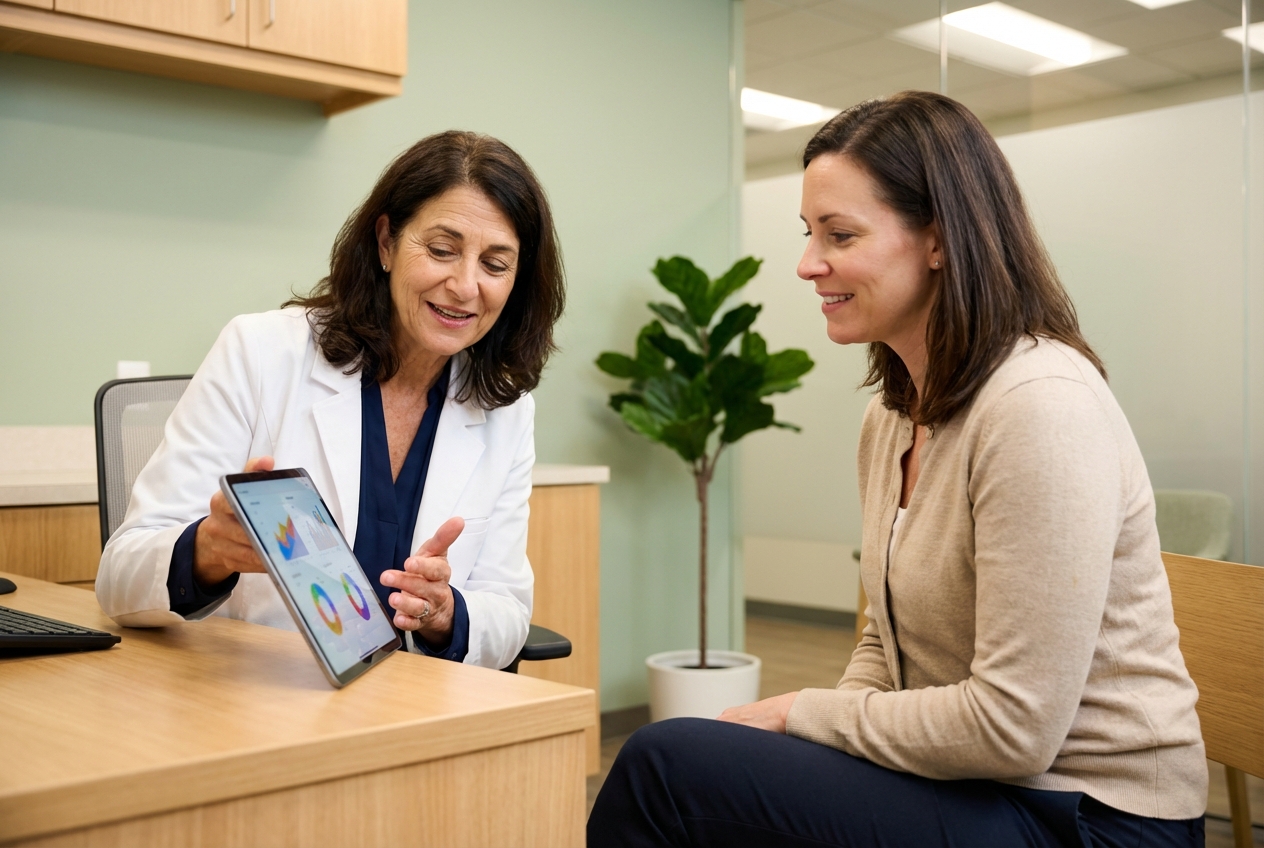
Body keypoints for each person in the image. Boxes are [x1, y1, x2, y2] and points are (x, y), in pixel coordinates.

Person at [588, 91, 1207, 846]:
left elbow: (1016, 730)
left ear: (939, 241)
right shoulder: (891, 415)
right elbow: (884, 641)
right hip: (978, 789)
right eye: (810, 233)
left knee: (664, 764)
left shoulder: (1042, 408)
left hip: (1091, 816)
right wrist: (829, 744)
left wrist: (802, 715)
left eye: (840, 234)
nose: (808, 263)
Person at [97, 131, 565, 670]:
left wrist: (445, 615)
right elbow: (119, 577)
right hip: (258, 701)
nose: (464, 285)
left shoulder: (505, 409)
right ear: (386, 242)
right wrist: (207, 551)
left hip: (417, 704)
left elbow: (507, 610)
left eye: (495, 264)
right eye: (441, 250)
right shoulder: (262, 352)